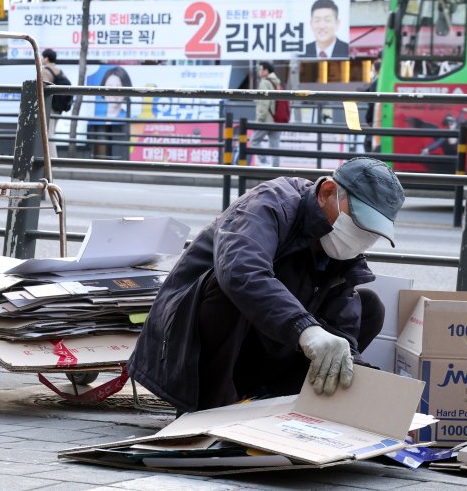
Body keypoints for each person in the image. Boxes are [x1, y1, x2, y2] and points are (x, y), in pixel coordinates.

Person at [128, 157, 406, 414]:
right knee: (233, 287)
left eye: (371, 233)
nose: (362, 238)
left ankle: (281, 406)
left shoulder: (341, 251)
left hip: (263, 347)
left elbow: (340, 325)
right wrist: (305, 329)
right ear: (327, 193)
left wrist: (366, 383)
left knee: (368, 307)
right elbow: (241, 271)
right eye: (358, 223)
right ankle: (209, 411)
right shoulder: (271, 203)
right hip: (188, 350)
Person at [91, 66, 132, 159]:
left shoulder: (128, 118)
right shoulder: (96, 116)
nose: (113, 92)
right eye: (109, 87)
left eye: (118, 87)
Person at [249, 61, 282, 167]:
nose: (259, 71)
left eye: (261, 69)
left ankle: (264, 163)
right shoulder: (276, 82)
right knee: (274, 145)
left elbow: (264, 102)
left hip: (266, 118)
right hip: (277, 118)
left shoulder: (264, 83)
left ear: (266, 71)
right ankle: (276, 167)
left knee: (254, 141)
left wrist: (260, 118)